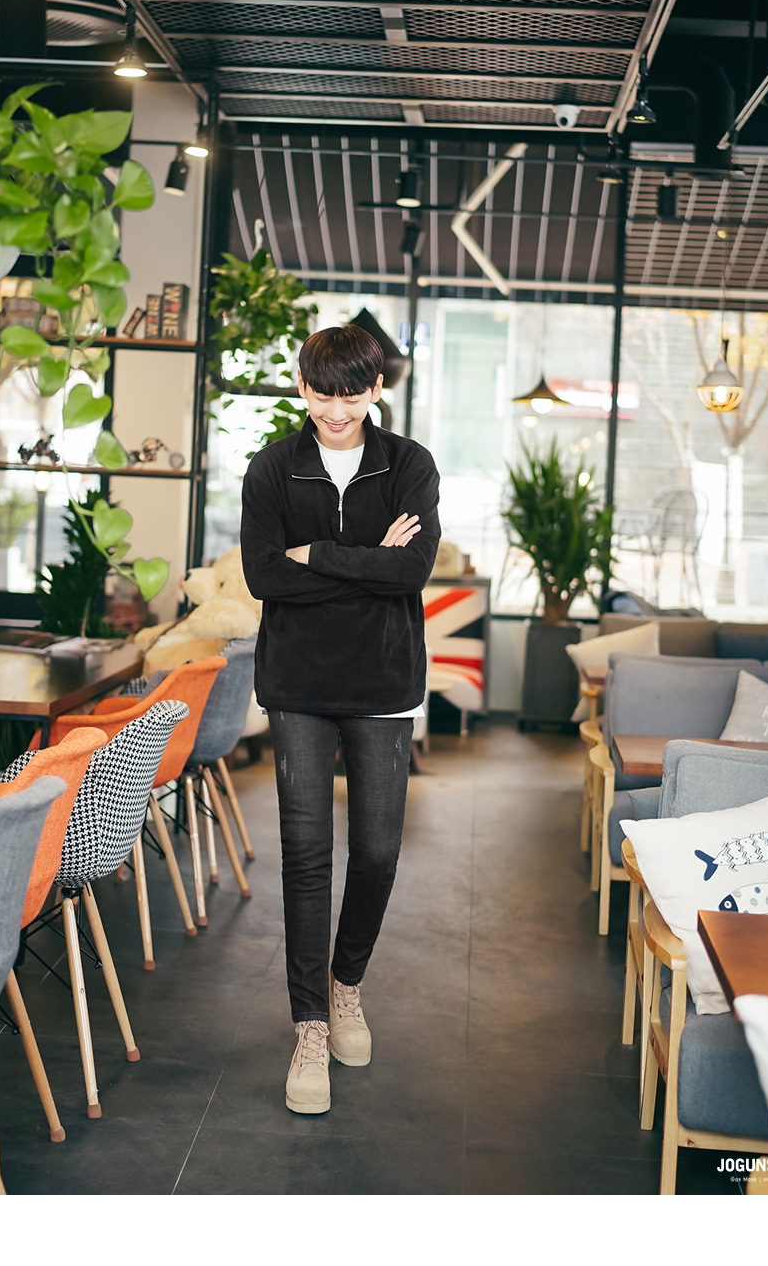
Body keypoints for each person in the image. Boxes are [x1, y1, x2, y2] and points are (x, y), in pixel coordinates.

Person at [240, 312, 440, 1117]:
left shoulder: (408, 464)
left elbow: (412, 569)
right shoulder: (272, 466)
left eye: (351, 395)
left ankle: (345, 980)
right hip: (297, 682)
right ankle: (310, 1025)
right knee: (305, 853)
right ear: (302, 387)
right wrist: (368, 563)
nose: (335, 410)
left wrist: (316, 554)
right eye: (322, 394)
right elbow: (262, 576)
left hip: (384, 681)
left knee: (380, 850)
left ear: (376, 387)